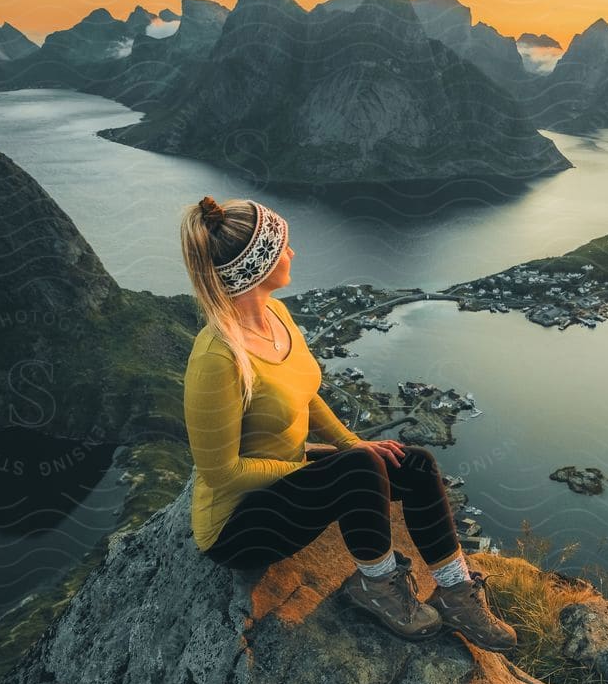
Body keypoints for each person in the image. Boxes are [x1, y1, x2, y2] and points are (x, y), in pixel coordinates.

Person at [179, 194, 516, 651]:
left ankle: (456, 592)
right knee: (358, 471)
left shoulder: (275, 314)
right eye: (281, 248)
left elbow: (304, 391)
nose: (293, 254)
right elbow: (221, 473)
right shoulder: (216, 358)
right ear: (255, 268)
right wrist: (318, 471)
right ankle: (374, 588)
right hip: (238, 526)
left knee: (412, 462)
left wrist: (349, 442)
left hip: (286, 482)